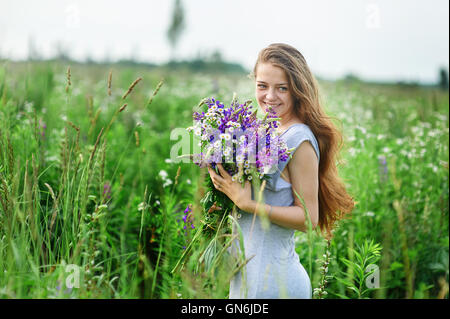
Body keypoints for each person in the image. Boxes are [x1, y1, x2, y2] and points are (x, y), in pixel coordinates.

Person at [207, 43, 354, 299]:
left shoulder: (299, 139)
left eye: (282, 88)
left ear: (297, 91)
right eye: (262, 86)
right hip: (246, 280)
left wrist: (247, 203)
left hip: (276, 285)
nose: (270, 96)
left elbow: (309, 219)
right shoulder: (263, 130)